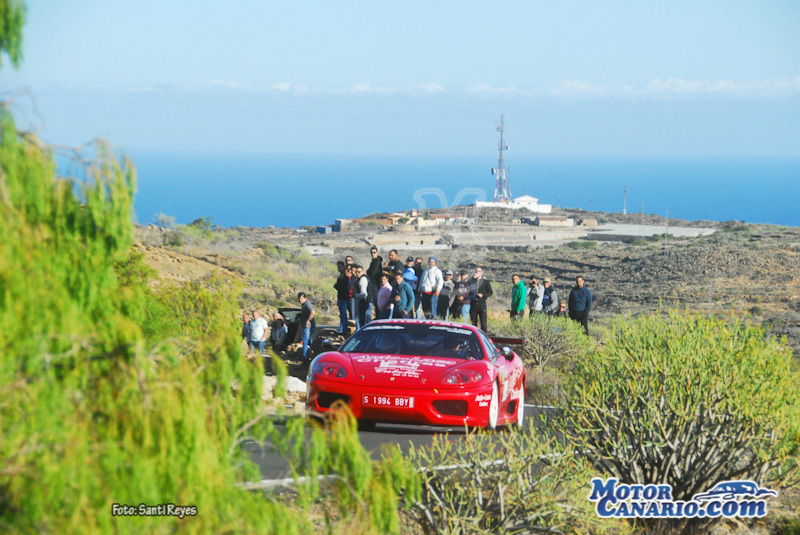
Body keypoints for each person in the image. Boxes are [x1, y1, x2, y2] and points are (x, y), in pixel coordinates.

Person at [470, 266, 493, 332]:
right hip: (473, 303)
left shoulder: (485, 282)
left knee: (483, 322)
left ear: (482, 272)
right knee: (473, 322)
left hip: (481, 303)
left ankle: (484, 336)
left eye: (479, 271)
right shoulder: (472, 281)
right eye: (476, 271)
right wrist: (473, 279)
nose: (477, 273)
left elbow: (490, 292)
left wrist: (483, 295)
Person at [298, 292, 316, 363]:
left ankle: (305, 359)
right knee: (308, 341)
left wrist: (308, 320)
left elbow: (313, 312)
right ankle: (312, 355)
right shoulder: (303, 305)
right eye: (299, 299)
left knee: (305, 342)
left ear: (305, 298)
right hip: (306, 326)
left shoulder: (307, 304)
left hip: (307, 327)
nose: (300, 300)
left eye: (302, 298)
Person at [333, 260, 350, 334]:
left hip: (343, 297)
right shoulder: (341, 276)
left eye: (340, 267)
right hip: (340, 297)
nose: (339, 268)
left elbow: (341, 287)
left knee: (343, 314)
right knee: (342, 314)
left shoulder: (344, 276)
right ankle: (343, 328)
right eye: (338, 267)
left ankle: (344, 329)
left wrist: (337, 286)